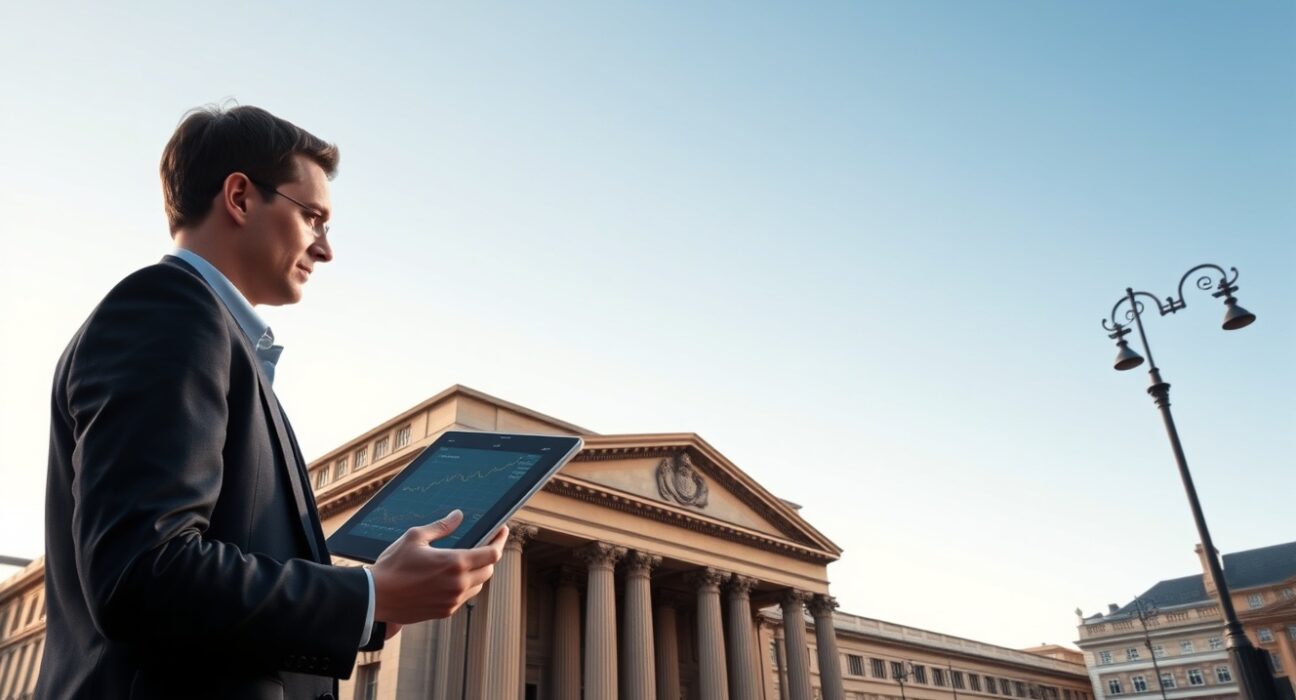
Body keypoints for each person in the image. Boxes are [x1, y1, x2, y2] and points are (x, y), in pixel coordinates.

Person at [35, 104, 506, 700]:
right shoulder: (168, 312)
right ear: (240, 197)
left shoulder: (202, 330)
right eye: (314, 217)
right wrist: (367, 594)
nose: (326, 248)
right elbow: (143, 574)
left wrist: (374, 611)